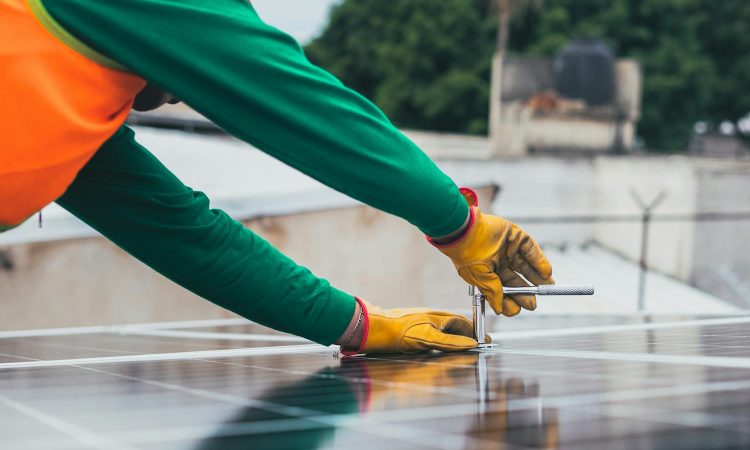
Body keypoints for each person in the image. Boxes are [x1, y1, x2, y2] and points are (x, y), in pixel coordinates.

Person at [1, 0, 553, 354]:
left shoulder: (65, 97)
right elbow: (303, 107)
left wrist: (355, 324)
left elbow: (178, 231)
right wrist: (458, 224)